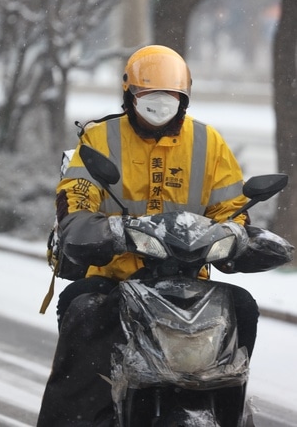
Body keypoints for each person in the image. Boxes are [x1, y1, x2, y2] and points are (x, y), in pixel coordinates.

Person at [37, 45, 259, 427]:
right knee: (82, 310)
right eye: (148, 99)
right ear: (129, 96)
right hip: (114, 282)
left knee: (243, 307)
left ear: (184, 99)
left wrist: (240, 238)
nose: (159, 108)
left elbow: (233, 210)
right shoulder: (98, 140)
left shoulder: (209, 144)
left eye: (169, 99)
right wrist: (94, 229)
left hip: (189, 285)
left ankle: (229, 411)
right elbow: (76, 200)